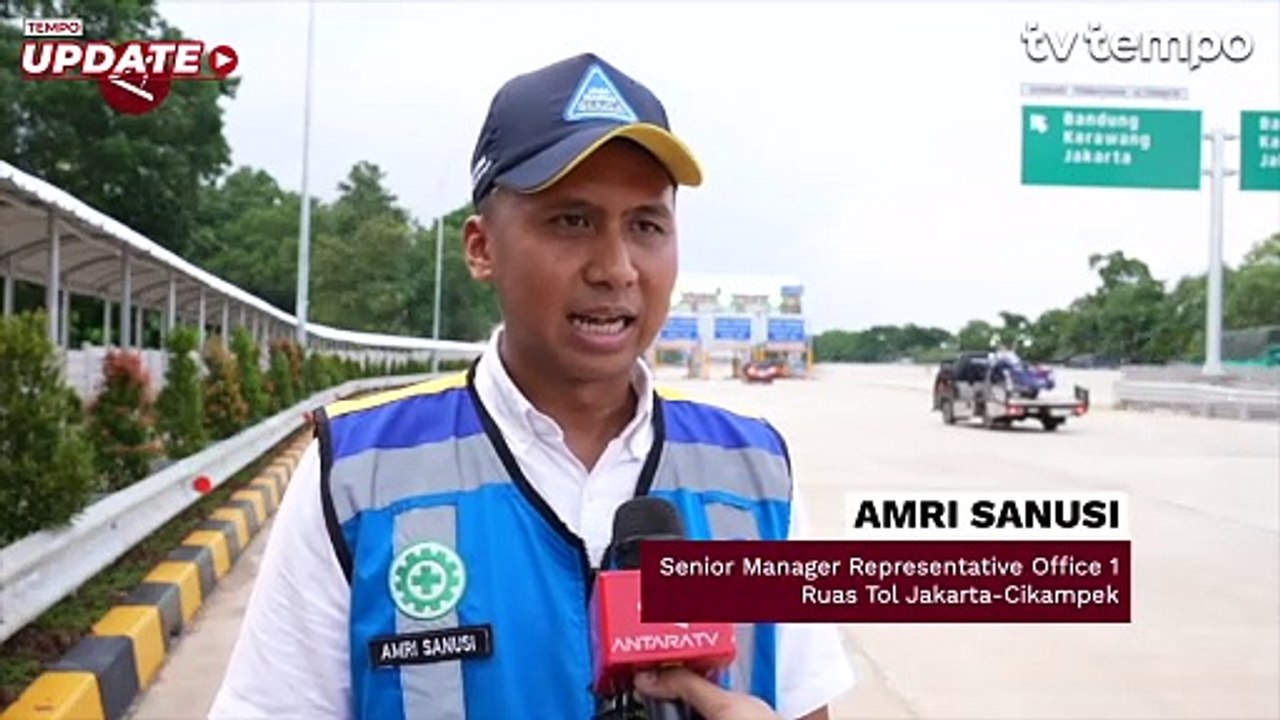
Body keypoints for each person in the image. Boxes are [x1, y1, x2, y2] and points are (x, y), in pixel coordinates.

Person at [208, 52, 854, 720]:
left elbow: (805, 706)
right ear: (481, 247)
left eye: (646, 225)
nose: (617, 268)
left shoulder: (755, 472)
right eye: (572, 221)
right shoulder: (357, 471)